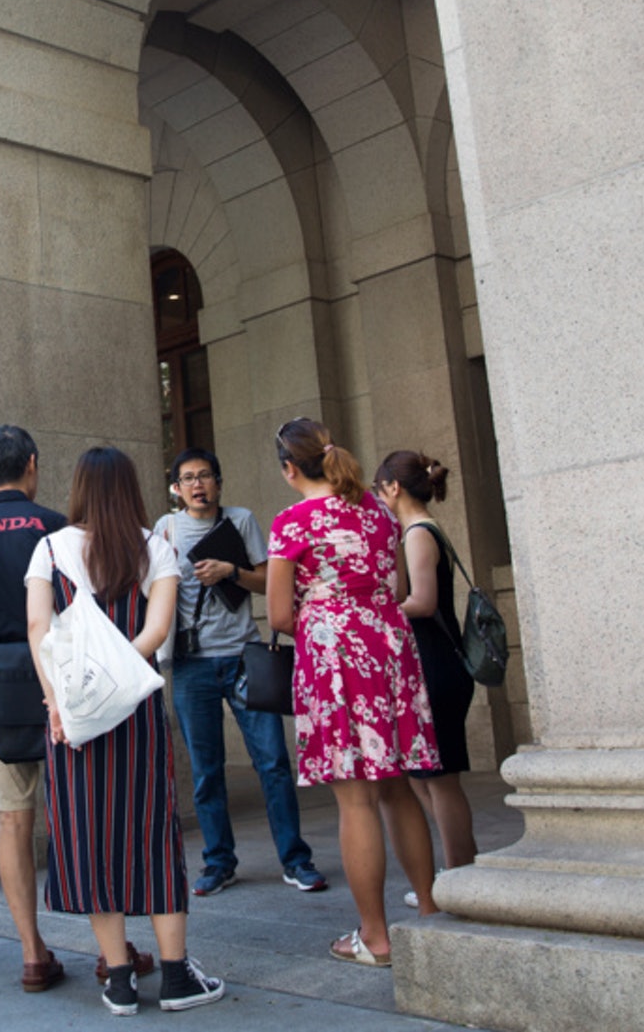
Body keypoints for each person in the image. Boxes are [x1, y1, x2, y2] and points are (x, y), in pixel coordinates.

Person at [27, 446, 224, 1016]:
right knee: (154, 834)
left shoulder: (49, 549)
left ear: (79, 488)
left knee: (89, 838)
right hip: (135, 711)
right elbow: (156, 632)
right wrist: (114, 678)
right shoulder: (155, 547)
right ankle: (176, 976)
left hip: (75, 718)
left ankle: (118, 979)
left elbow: (39, 629)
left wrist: (60, 702)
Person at [264, 418, 441, 966]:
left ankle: (376, 937)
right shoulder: (378, 512)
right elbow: (395, 585)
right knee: (397, 788)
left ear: (289, 469)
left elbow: (278, 614)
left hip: (335, 657)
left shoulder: (292, 522)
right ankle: (431, 913)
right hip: (389, 644)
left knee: (356, 798)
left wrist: (323, 612)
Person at [0, 425, 98, 993]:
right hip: (64, 683)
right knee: (78, 812)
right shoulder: (59, 527)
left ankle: (33, 953)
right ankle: (111, 949)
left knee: (12, 819)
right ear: (32, 464)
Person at [153, 447, 326, 897]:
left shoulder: (241, 520)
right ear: (176, 488)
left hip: (245, 657)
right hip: (192, 665)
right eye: (188, 478)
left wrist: (231, 571)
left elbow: (269, 581)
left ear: (218, 482)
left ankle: (296, 859)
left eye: (205, 476)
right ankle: (218, 862)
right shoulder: (165, 529)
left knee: (273, 762)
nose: (198, 485)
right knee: (206, 771)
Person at [373, 450, 479, 881]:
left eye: (380, 490)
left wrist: (374, 612)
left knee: (439, 779)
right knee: (422, 776)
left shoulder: (418, 533)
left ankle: (461, 874)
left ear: (394, 487)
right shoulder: (419, 530)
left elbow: (422, 601)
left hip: (435, 667)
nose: (379, 499)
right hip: (429, 667)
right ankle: (460, 871)